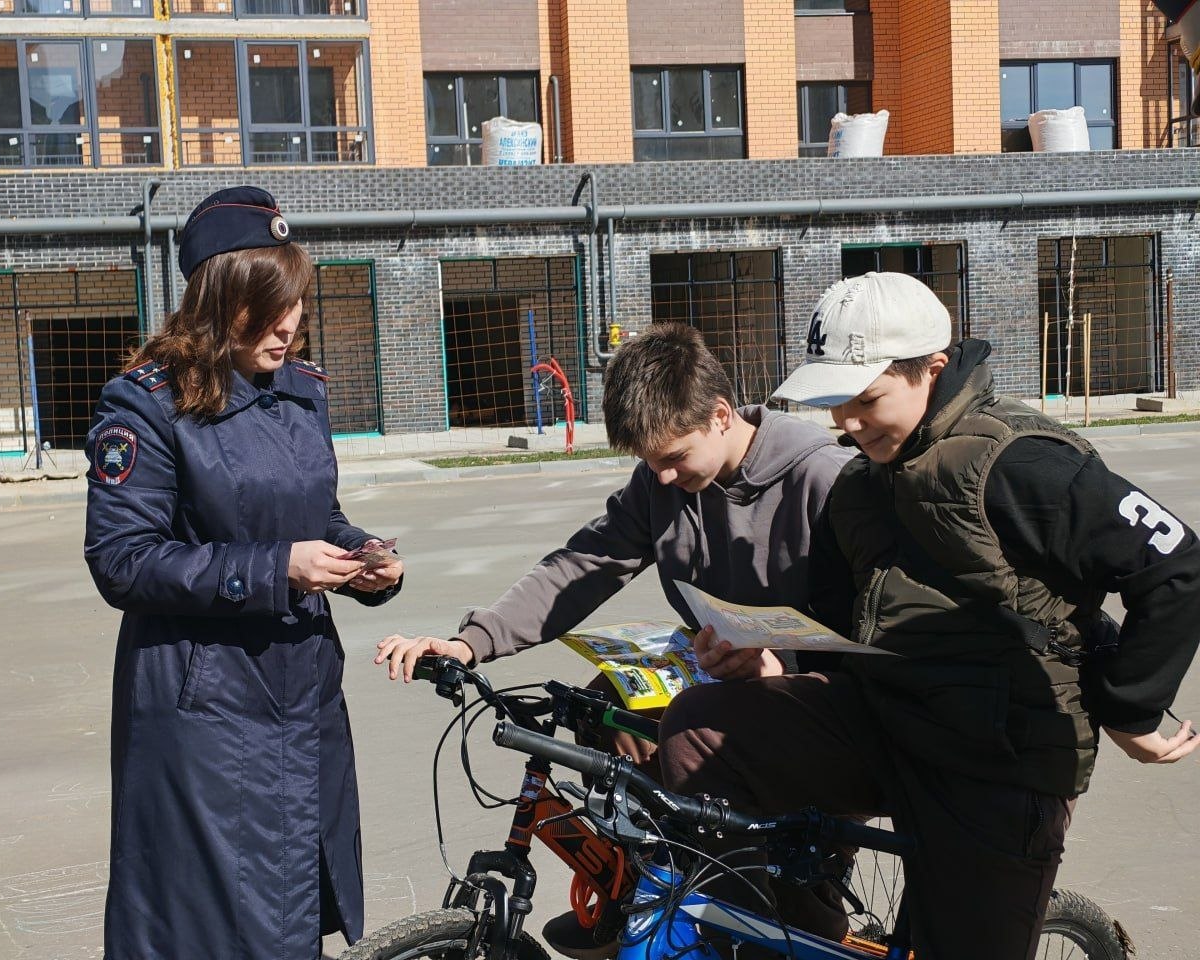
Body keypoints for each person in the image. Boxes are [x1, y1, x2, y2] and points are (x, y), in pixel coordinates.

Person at [657, 271, 1200, 960]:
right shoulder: (859, 484)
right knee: (698, 730)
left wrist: (1132, 711)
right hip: (889, 722)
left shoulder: (1018, 463)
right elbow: (840, 623)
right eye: (835, 400)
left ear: (933, 369)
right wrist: (769, 662)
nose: (847, 421)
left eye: (866, 398)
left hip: (996, 761)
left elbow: (1177, 563)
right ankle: (778, 940)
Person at [376, 321, 853, 956]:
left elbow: (873, 630)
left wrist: (781, 670)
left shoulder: (822, 478)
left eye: (673, 458)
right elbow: (584, 565)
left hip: (818, 701)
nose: (662, 478)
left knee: (723, 779)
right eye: (649, 463)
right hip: (723, 676)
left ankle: (777, 919)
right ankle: (641, 891)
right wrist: (471, 642)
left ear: (720, 415)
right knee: (605, 705)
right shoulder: (664, 483)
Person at [84, 186, 403, 960]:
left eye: (297, 302)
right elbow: (123, 560)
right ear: (221, 299)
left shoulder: (301, 392)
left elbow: (316, 515)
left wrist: (363, 555)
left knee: (290, 920)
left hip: (304, 694)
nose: (290, 324)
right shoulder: (146, 404)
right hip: (207, 712)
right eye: (272, 306)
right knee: (213, 929)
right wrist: (276, 570)